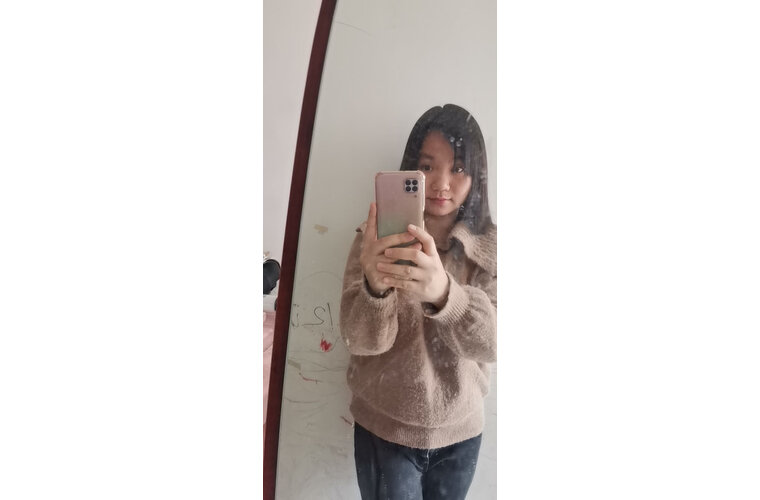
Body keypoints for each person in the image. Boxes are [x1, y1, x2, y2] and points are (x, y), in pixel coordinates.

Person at [340, 104, 497, 500]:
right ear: (410, 170)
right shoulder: (375, 238)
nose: (441, 183)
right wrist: (376, 290)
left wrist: (445, 294)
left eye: (458, 168)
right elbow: (358, 340)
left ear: (477, 175)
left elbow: (493, 344)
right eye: (427, 167)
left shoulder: (490, 250)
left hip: (461, 434)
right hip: (384, 428)